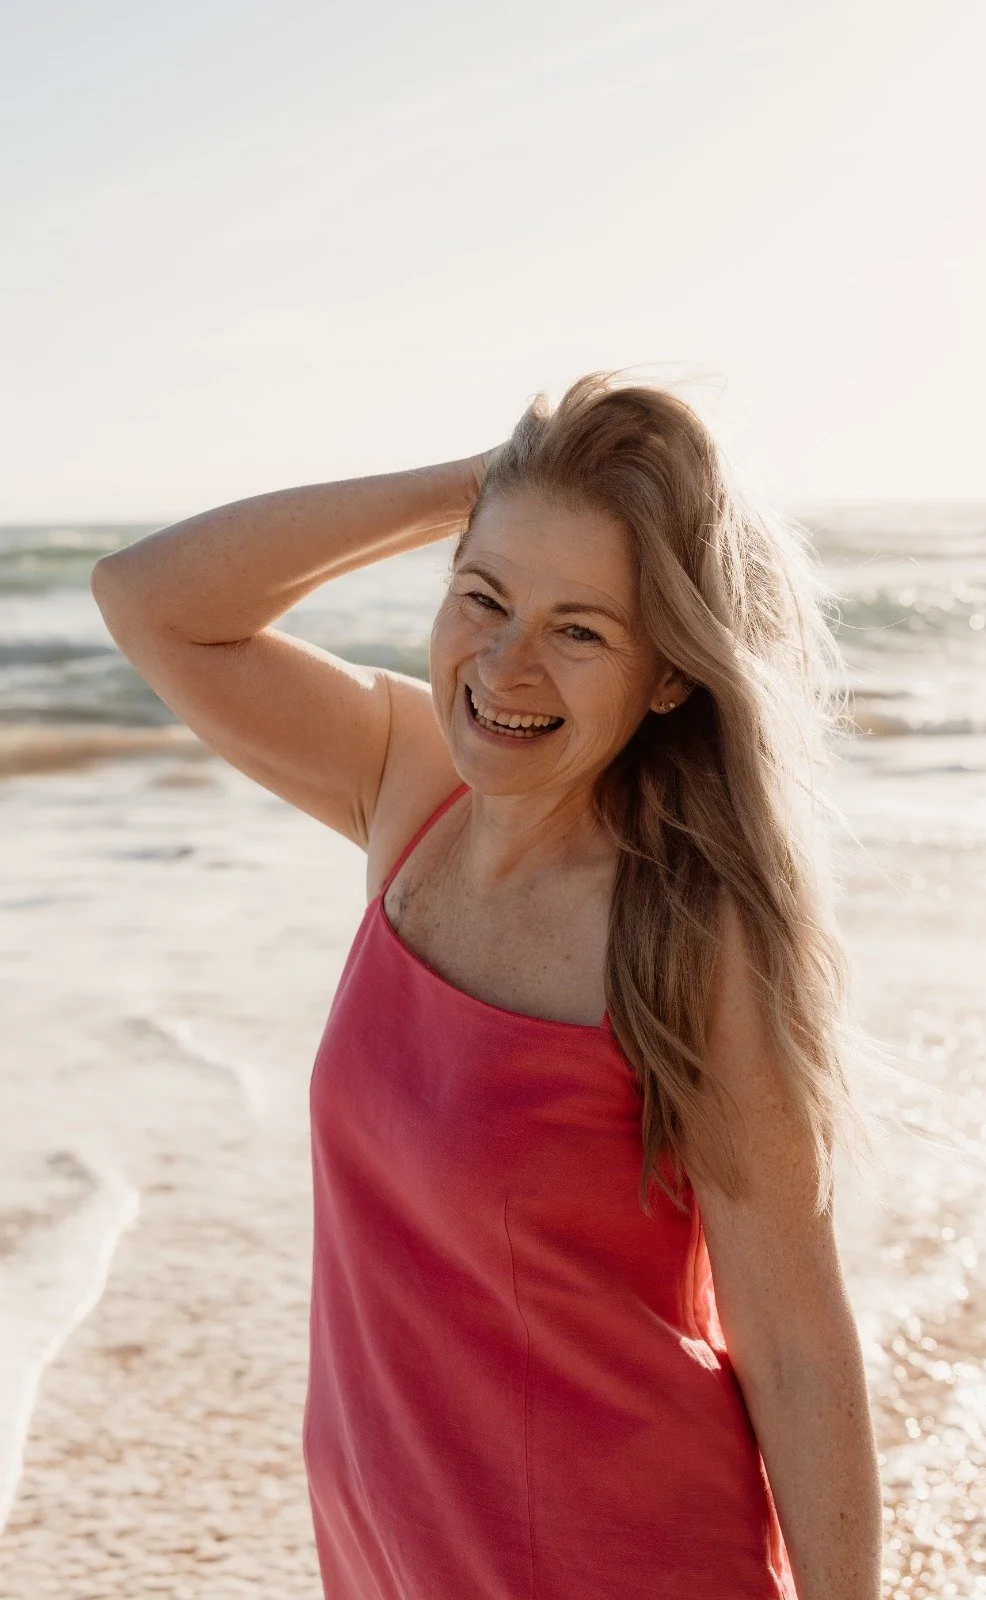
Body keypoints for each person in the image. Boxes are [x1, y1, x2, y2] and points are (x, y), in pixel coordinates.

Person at [91, 372, 883, 1600]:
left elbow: (793, 1342)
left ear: (668, 673)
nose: (505, 664)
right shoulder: (408, 788)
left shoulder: (687, 930)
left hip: (623, 1563)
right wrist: (475, 489)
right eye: (484, 597)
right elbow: (148, 601)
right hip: (394, 1556)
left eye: (579, 628)